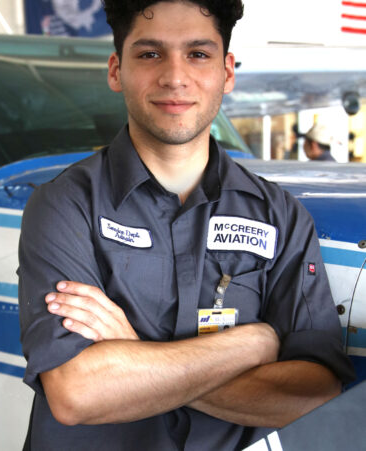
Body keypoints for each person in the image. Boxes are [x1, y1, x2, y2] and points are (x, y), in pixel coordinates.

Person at [18, 1, 355, 450]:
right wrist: (248, 347)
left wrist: (136, 351)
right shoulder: (63, 205)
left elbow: (312, 393)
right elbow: (78, 392)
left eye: (198, 54)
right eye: (150, 54)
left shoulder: (280, 214)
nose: (175, 77)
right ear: (116, 70)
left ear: (227, 72)